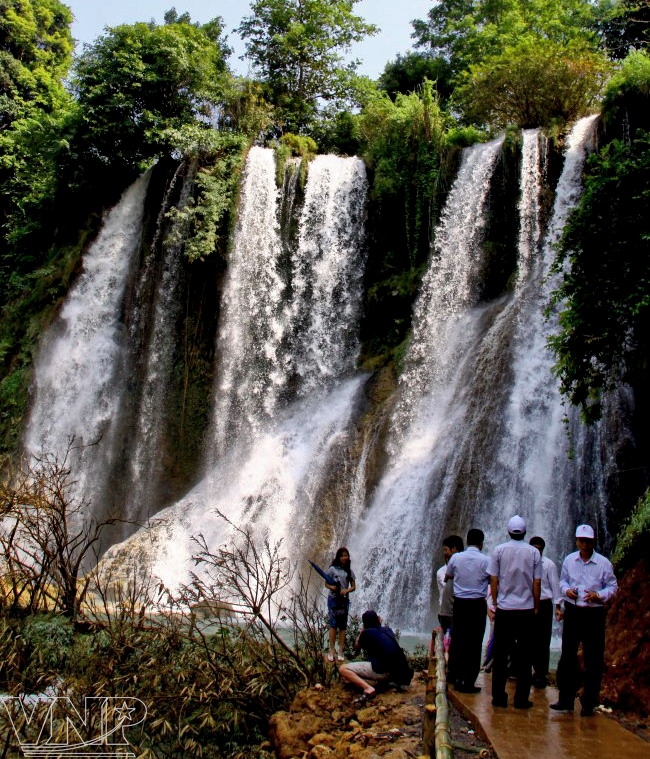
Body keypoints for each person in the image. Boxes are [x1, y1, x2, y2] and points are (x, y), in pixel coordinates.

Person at [550, 524, 618, 717]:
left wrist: (599, 595)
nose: (585, 544)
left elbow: (613, 586)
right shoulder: (570, 560)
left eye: (588, 541)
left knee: (593, 658)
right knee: (567, 656)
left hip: (594, 614)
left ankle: (589, 703)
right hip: (573, 611)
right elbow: (562, 581)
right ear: (577, 541)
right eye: (582, 540)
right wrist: (566, 591)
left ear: (593, 541)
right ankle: (565, 699)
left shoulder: (604, 563)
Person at [488, 515, 542, 709]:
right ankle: (521, 699)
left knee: (501, 655)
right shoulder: (534, 553)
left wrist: (495, 601)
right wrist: (536, 605)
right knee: (525, 657)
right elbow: (537, 582)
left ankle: (498, 698)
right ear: (525, 532)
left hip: (505, 609)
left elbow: (493, 579)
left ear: (508, 531)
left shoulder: (499, 550)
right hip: (526, 610)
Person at [445, 528, 490, 693]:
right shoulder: (486, 560)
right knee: (474, 642)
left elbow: (449, 574)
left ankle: (456, 677)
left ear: (467, 540)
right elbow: (491, 580)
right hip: (477, 605)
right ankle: (469, 681)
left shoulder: (456, 557)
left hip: (460, 604)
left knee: (458, 640)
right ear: (481, 543)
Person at [338, 610, 412, 702]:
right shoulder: (387, 629)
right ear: (378, 619)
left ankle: (368, 688)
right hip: (398, 673)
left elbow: (356, 645)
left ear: (365, 624)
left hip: (383, 672)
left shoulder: (367, 633)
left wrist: (363, 629)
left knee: (343, 669)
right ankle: (389, 681)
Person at [529, 536, 563, 688]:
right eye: (534, 548)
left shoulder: (549, 565)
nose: (537, 551)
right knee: (526, 639)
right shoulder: (524, 562)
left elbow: (555, 586)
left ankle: (540, 674)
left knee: (543, 640)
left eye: (539, 549)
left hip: (543, 604)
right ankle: (522, 670)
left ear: (543, 550)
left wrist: (558, 606)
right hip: (526, 603)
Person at [325, 547, 356, 662]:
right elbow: (326, 584)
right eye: (342, 555)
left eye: (346, 555)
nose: (344, 557)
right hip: (333, 599)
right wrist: (332, 587)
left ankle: (340, 650)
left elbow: (353, 586)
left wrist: (346, 590)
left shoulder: (349, 571)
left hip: (344, 600)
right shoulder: (332, 569)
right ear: (338, 557)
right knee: (333, 624)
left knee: (343, 625)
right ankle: (331, 650)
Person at [436, 534, 464, 633]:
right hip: (446, 611)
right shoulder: (441, 572)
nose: (445, 553)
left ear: (454, 549)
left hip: (459, 610)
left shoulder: (462, 566)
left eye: (446, 549)